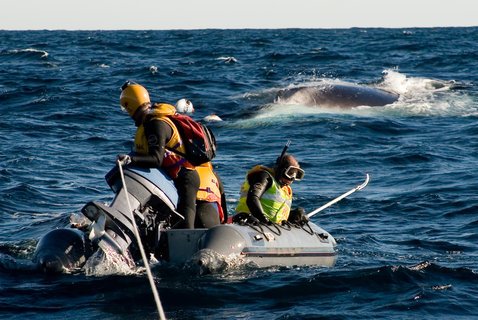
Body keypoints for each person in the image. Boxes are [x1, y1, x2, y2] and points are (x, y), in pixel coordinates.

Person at [117, 81, 200, 229]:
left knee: (185, 228)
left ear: (130, 106)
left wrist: (130, 159)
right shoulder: (148, 123)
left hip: (186, 179)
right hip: (170, 181)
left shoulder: (156, 124)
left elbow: (156, 159)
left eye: (126, 108)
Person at [174, 98, 228, 228]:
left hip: (186, 221)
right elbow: (225, 217)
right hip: (210, 221)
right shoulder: (214, 177)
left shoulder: (180, 173)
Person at [234, 152, 308, 225]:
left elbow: (275, 211)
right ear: (280, 170)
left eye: (296, 175)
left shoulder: (285, 190)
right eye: (289, 173)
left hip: (271, 227)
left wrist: (294, 215)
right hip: (247, 222)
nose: (291, 179)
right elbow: (252, 199)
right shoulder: (264, 177)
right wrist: (264, 220)